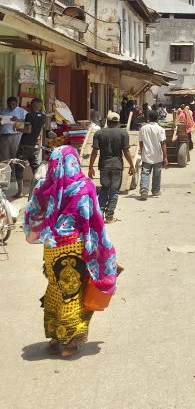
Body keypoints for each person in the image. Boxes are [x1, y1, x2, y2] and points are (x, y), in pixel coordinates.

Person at [23, 145, 121, 358]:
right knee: (72, 293)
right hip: (74, 246)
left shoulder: (45, 186)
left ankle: (55, 337)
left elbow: (31, 212)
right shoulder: (83, 186)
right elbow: (93, 219)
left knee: (55, 288)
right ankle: (69, 343)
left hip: (51, 247)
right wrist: (103, 247)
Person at [88, 111, 136, 223]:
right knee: (114, 191)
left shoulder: (99, 134)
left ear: (107, 121)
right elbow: (126, 152)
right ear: (118, 122)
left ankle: (99, 215)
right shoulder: (123, 134)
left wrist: (91, 167)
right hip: (117, 166)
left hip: (104, 165)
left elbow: (94, 152)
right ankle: (109, 216)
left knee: (104, 188)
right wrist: (132, 165)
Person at [14, 98, 48, 198]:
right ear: (40, 106)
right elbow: (33, 125)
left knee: (18, 167)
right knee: (36, 169)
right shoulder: (43, 116)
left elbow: (28, 129)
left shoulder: (29, 115)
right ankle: (39, 190)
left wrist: (17, 128)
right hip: (34, 146)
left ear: (31, 106)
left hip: (24, 146)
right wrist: (19, 120)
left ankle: (20, 192)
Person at [138, 111, 168, 200]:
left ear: (148, 118)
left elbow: (141, 142)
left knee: (145, 173)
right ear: (157, 118)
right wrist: (165, 157)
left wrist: (142, 151)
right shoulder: (160, 129)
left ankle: (144, 189)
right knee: (157, 174)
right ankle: (156, 191)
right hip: (158, 156)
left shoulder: (143, 128)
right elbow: (163, 144)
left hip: (146, 155)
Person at [0, 96, 27, 160]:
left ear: (17, 103)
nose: (11, 106)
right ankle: (7, 169)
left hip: (16, 135)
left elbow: (28, 122)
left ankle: (15, 169)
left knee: (15, 154)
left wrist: (18, 120)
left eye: (13, 104)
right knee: (4, 156)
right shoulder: (3, 111)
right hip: (4, 136)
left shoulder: (22, 111)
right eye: (9, 105)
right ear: (7, 104)